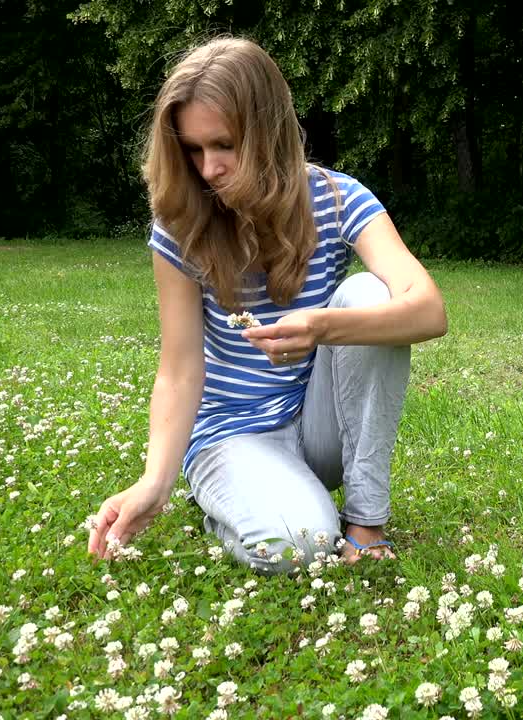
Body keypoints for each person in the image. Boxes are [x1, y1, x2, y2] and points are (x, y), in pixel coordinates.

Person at [86, 37, 447, 574]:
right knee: (298, 547)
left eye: (225, 145)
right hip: (231, 434)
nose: (208, 169)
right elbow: (181, 369)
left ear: (268, 133)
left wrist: (323, 326)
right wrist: (153, 483)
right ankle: (229, 498)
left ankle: (366, 523)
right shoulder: (181, 224)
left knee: (371, 296)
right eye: (193, 149)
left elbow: (428, 311)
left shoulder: (340, 198)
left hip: (315, 427)